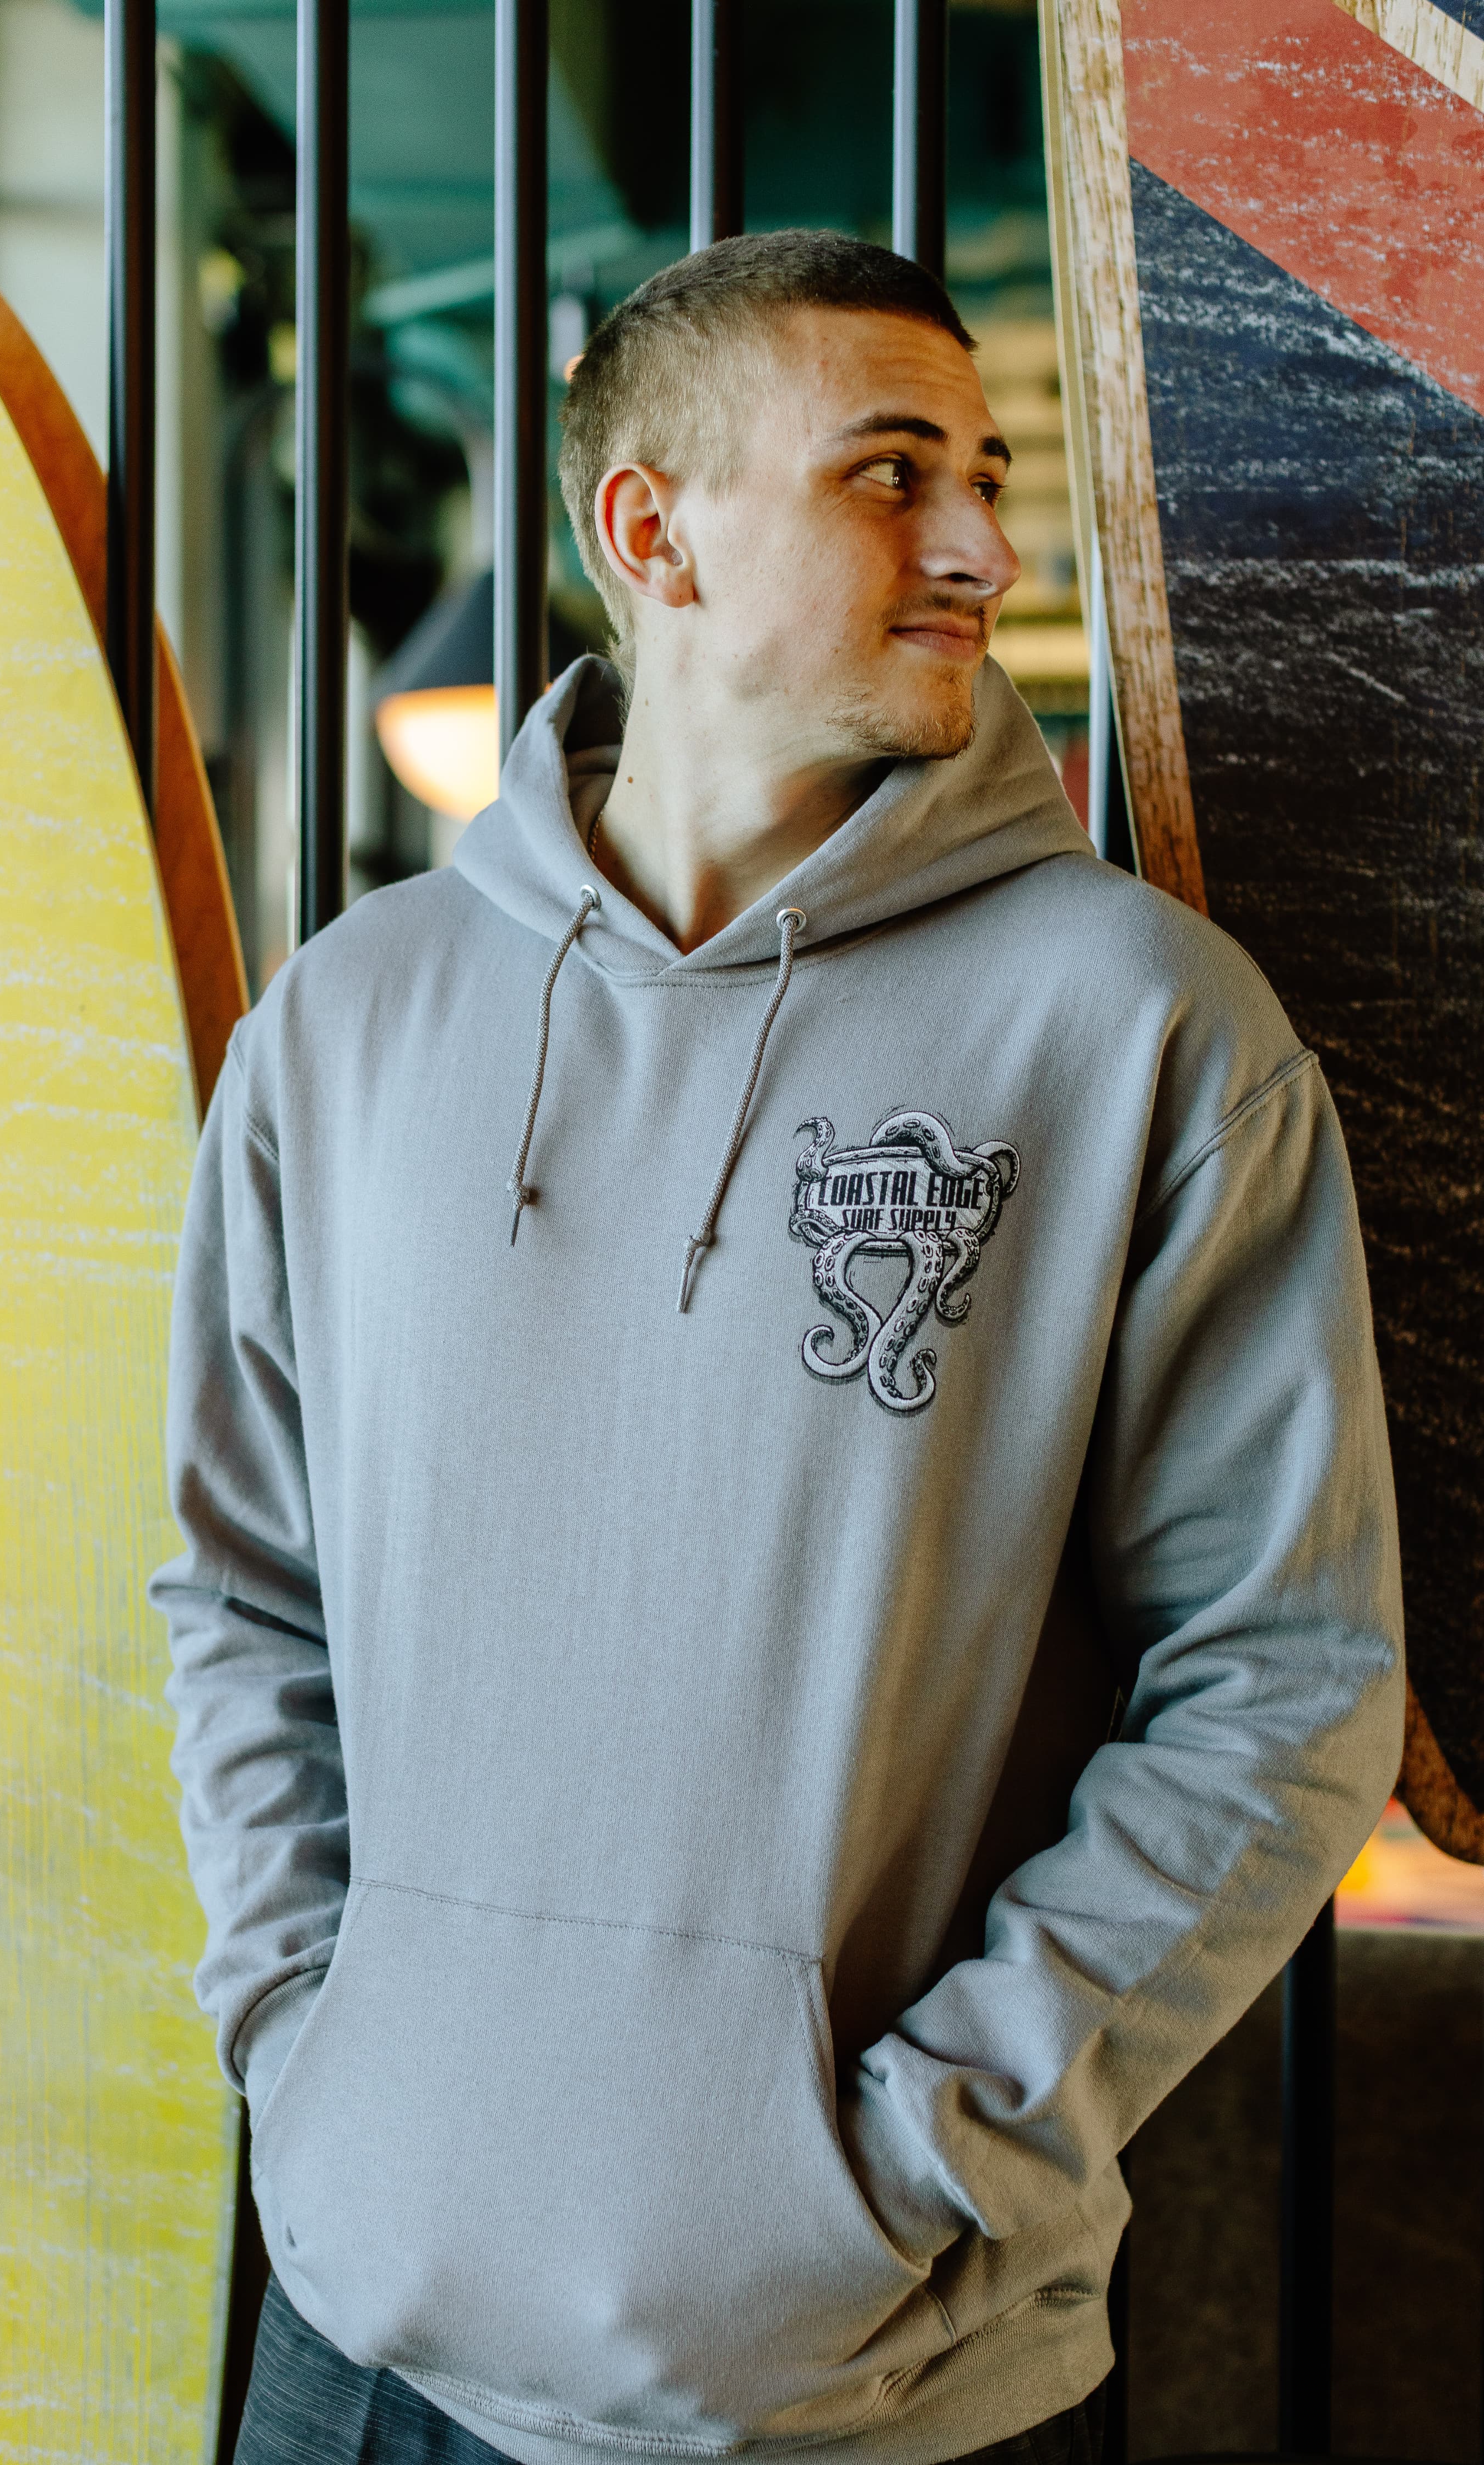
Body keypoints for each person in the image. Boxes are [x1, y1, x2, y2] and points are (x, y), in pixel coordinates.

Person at [155, 230, 1403, 2465]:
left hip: (881, 2388)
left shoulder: (1140, 1029)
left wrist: (916, 2164)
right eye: (890, 473)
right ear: (653, 531)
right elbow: (244, 1597)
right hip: (360, 2349)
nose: (983, 548)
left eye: (984, 477)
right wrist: (302, 2044)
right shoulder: (347, 1020)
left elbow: (1287, 1679)